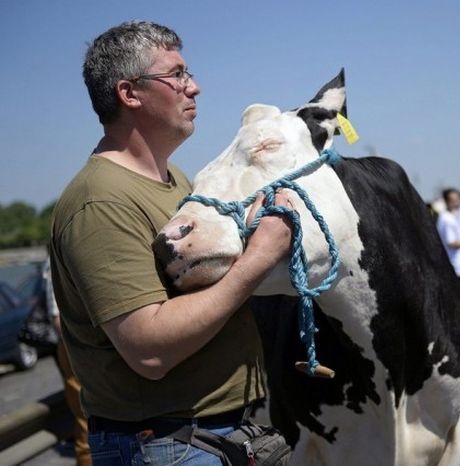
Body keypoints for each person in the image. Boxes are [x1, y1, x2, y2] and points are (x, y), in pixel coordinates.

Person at [49, 21, 292, 465]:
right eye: (177, 75)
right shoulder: (100, 201)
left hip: (209, 434)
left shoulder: (177, 182)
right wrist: (259, 257)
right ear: (129, 93)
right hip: (167, 445)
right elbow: (150, 349)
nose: (194, 87)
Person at [44, 258, 91, 466]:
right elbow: (56, 316)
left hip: (86, 341)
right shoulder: (60, 255)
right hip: (77, 345)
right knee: (86, 423)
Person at [436, 188, 460, 304]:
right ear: (447, 201)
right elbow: (452, 243)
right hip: (456, 265)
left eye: (458, 199)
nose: (457, 202)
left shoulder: (455, 216)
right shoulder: (446, 219)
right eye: (453, 200)